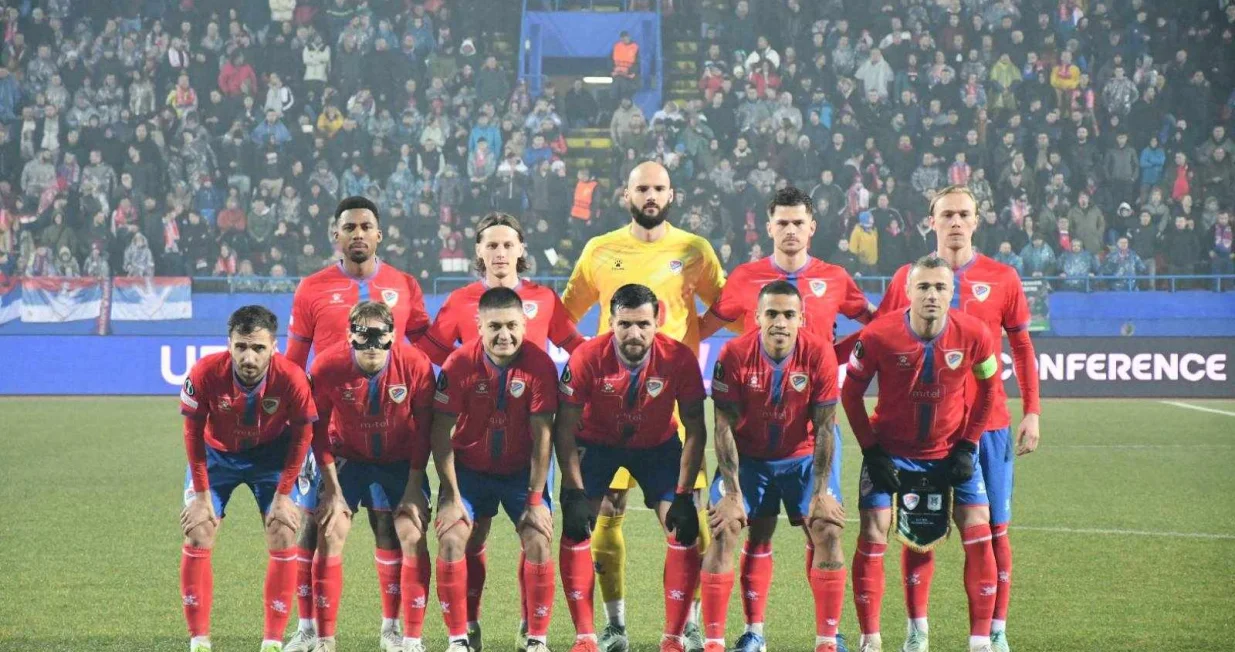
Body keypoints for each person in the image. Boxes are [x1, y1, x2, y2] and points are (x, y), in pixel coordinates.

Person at [862, 186, 1040, 652]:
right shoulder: (907, 276)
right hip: (927, 434)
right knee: (916, 530)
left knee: (993, 529)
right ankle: (916, 630)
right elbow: (877, 336)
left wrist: (1033, 411)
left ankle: (995, 631)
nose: (956, 222)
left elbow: (1021, 347)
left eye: (964, 214)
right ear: (932, 221)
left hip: (988, 426)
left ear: (977, 220)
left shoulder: (1002, 277)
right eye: (948, 215)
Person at [696, 186, 873, 652]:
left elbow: (873, 324)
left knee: (826, 526)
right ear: (769, 227)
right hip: (753, 439)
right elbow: (706, 326)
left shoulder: (834, 278)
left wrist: (835, 356)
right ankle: (742, 634)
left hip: (806, 435)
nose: (791, 230)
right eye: (783, 222)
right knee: (739, 529)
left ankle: (827, 641)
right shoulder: (743, 285)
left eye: (800, 222)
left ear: (811, 227)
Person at [561, 162, 725, 652]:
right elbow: (564, 313)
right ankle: (613, 625)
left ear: (671, 193)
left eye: (658, 188)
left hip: (669, 405)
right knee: (607, 511)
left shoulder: (695, 250)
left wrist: (690, 338)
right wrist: (590, 356)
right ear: (625, 193)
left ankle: (688, 623)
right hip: (606, 408)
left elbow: (726, 306)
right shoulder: (600, 249)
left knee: (684, 516)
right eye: (641, 188)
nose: (650, 196)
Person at [284, 196, 431, 650]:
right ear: (336, 235)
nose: (358, 234)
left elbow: (426, 344)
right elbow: (293, 363)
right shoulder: (311, 288)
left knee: (392, 526)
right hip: (331, 436)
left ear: (379, 234)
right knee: (315, 525)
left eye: (366, 226)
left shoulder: (404, 284)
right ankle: (309, 631)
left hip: (391, 429)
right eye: (349, 227)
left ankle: (393, 631)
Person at [841, 256, 1001, 652]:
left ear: (952, 293)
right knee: (874, 530)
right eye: (924, 287)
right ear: (908, 291)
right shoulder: (878, 335)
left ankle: (980, 641)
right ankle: (872, 640)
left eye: (940, 287)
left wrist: (968, 444)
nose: (932, 295)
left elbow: (989, 392)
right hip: (891, 452)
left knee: (979, 529)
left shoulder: (976, 334)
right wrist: (872, 451)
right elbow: (850, 394)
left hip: (950, 450)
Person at [554, 284, 708, 652]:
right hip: (598, 444)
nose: (634, 333)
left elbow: (696, 429)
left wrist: (685, 494)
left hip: (657, 447)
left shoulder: (679, 359)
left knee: (684, 530)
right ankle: (588, 637)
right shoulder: (587, 357)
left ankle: (675, 637)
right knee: (577, 528)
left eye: (643, 324)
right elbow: (563, 428)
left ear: (658, 322)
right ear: (610, 322)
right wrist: (574, 492)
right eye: (624, 324)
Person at [700, 281, 847, 652]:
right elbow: (722, 427)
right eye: (771, 314)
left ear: (801, 318)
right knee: (725, 526)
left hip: (803, 455)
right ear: (757, 317)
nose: (779, 322)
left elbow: (827, 428)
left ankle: (827, 640)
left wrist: (819, 493)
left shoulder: (819, 354)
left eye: (788, 314)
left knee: (827, 528)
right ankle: (730, 640)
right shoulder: (733, 353)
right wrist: (732, 494)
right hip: (750, 459)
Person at [178, 306, 317, 652]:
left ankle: (271, 641)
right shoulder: (205, 372)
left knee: (283, 530)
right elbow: (192, 434)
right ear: (229, 344)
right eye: (241, 346)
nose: (249, 357)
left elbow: (303, 437)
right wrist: (201, 494)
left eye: (258, 348)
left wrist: (285, 495)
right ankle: (199, 641)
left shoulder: (293, 378)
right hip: (215, 457)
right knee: (198, 530)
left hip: (272, 457)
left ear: (274, 346)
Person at [430, 287, 561, 652]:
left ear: (524, 323)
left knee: (537, 537)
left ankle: (536, 638)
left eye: (512, 325)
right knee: (454, 537)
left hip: (520, 473)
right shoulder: (458, 364)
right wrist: (453, 496)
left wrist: (536, 499)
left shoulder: (540, 365)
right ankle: (461, 636)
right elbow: (440, 430)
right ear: (479, 326)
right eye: (495, 327)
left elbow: (542, 438)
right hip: (469, 472)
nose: (504, 335)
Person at [307, 301, 438, 652]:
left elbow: (426, 428)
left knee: (410, 532)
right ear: (350, 336)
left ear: (393, 337)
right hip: (348, 457)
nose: (371, 345)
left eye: (380, 336)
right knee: (331, 530)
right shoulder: (327, 366)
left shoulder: (415, 364)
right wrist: (332, 490)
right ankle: (324, 639)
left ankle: (404, 636)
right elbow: (317, 430)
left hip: (399, 459)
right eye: (363, 336)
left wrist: (414, 486)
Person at [418, 213, 583, 365]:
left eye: (508, 245)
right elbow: (428, 351)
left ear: (520, 249)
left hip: (533, 396)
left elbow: (580, 350)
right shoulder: (459, 300)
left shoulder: (545, 298)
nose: (500, 253)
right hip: (481, 397)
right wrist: (464, 368)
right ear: (479, 250)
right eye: (492, 246)